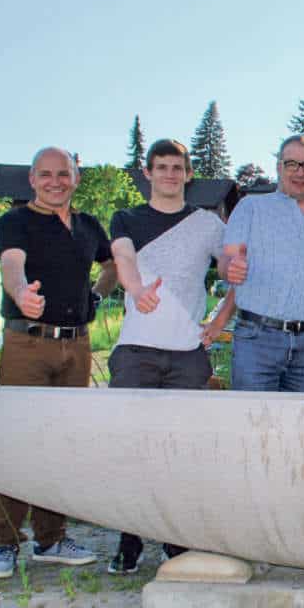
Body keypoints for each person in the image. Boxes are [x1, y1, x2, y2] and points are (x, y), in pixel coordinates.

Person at [0, 147, 118, 579]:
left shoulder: (87, 225)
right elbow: (12, 265)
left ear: (75, 178)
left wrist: (98, 294)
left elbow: (112, 264)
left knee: (61, 442)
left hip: (76, 347)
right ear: (32, 181)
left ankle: (51, 539)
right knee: (17, 441)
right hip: (28, 344)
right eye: (45, 175)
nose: (55, 181)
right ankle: (4, 544)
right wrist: (21, 293)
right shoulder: (15, 221)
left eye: (63, 174)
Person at [104, 139, 237, 574]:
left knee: (178, 451)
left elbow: (234, 272)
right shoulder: (126, 217)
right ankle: (128, 537)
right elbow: (123, 257)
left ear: (188, 173)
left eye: (176, 167)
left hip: (187, 356)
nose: (168, 174)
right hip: (136, 352)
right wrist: (136, 289)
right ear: (148, 172)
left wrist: (219, 322)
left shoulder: (208, 224)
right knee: (130, 449)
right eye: (160, 167)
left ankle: (174, 539)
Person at [218, 135, 304, 392]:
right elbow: (227, 260)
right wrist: (230, 268)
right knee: (252, 422)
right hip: (256, 342)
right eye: (292, 164)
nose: (300, 172)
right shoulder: (250, 208)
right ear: (279, 168)